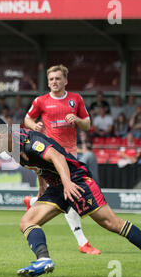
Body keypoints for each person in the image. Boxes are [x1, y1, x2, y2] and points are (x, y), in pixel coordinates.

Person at [0, 116, 141, 277]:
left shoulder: (28, 141)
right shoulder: (13, 149)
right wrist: (42, 186)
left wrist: (68, 183)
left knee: (111, 223)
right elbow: (39, 166)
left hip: (76, 180)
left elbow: (57, 157)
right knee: (27, 222)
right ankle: (44, 260)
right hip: (57, 185)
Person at [23, 64, 100, 255]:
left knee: (65, 196)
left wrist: (77, 120)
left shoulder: (76, 99)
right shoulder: (41, 101)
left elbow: (87, 125)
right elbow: (27, 119)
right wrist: (35, 126)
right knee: (70, 195)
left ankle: (33, 202)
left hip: (70, 156)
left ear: (65, 80)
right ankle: (82, 242)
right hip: (49, 157)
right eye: (51, 79)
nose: (54, 82)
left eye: (57, 78)